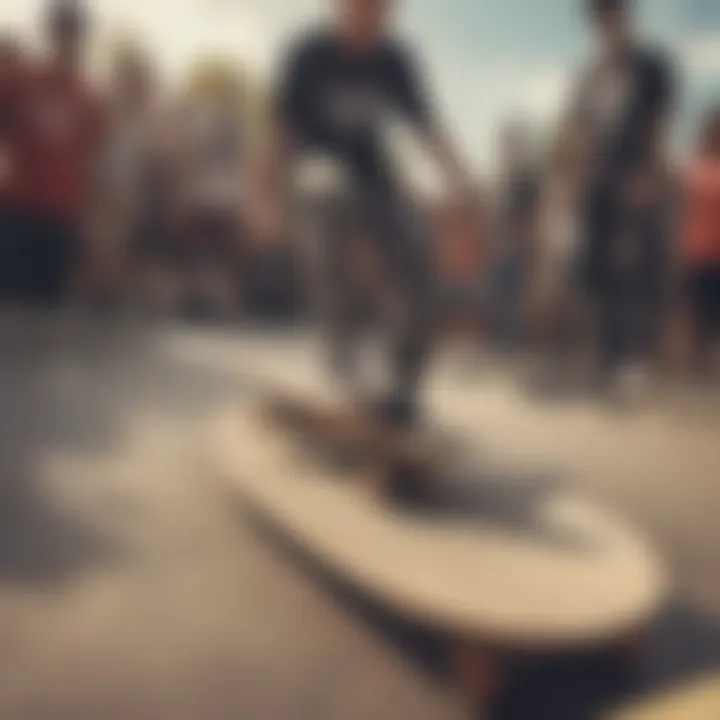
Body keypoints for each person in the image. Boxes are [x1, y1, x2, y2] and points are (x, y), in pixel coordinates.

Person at [252, 0, 472, 427]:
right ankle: (343, 356)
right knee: (326, 189)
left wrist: (462, 185)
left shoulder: (396, 59)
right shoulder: (307, 54)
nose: (371, 24)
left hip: (376, 179)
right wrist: (263, 198)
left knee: (419, 247)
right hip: (318, 170)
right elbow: (277, 132)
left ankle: (402, 381)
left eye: (380, 14)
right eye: (362, 12)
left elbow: (429, 130)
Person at [570, 0, 675, 390]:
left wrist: (649, 173)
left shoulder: (650, 65)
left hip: (635, 177)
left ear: (625, 18)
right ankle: (608, 357)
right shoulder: (591, 75)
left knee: (632, 266)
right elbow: (581, 133)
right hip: (598, 184)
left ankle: (635, 358)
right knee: (598, 270)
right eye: (599, 19)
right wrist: (579, 183)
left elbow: (658, 121)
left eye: (612, 16)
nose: (606, 25)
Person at [0, 1, 105, 307]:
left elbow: (93, 164)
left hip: (62, 217)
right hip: (19, 211)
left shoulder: (89, 99)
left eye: (73, 34)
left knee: (50, 310)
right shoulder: (20, 83)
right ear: (50, 35)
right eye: (61, 33)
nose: (66, 41)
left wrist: (92, 220)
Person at [679, 107, 720, 380]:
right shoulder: (691, 168)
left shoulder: (694, 169)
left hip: (714, 254)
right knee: (695, 314)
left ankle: (712, 368)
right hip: (694, 253)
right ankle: (697, 369)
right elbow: (679, 212)